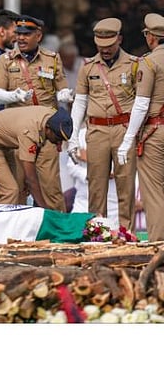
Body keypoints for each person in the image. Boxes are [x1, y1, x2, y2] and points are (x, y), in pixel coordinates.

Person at [66, 17, 138, 231]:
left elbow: (141, 102)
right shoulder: (87, 66)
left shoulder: (134, 65)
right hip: (96, 129)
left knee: (125, 183)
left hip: (123, 128)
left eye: (109, 45)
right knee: (96, 184)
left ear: (119, 39)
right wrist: (73, 135)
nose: (105, 50)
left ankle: (127, 232)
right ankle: (98, 232)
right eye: (100, 45)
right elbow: (80, 102)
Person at [116, 13, 164, 242]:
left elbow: (142, 104)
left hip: (156, 131)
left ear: (151, 37)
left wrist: (127, 139)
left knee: (153, 192)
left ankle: (159, 245)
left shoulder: (149, 62)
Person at [0, 105, 72, 209]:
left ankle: (19, 217)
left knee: (21, 188)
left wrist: (25, 183)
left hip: (2, 140)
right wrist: (43, 208)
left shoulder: (51, 116)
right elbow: (31, 179)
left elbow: (35, 152)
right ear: (48, 129)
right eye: (58, 139)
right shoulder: (30, 133)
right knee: (10, 190)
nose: (59, 145)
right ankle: (2, 219)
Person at [0, 15, 71, 110]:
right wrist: (15, 96)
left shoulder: (52, 58)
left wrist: (64, 94)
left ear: (38, 36)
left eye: (26, 34)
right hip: (19, 115)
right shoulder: (5, 59)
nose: (21, 38)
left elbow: (61, 88)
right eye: (18, 34)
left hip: (46, 115)